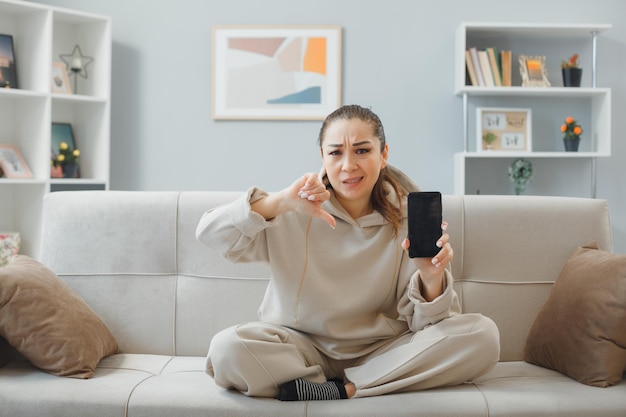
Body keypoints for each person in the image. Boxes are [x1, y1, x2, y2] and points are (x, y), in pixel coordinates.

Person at [196, 104, 500, 401]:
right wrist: (279, 202)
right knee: (227, 348)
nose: (348, 165)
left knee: (483, 336)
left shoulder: (410, 220)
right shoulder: (293, 208)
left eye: (362, 150)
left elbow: (430, 326)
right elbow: (209, 234)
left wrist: (430, 276)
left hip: (384, 352)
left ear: (384, 155)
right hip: (301, 349)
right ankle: (349, 384)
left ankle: (345, 389)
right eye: (336, 152)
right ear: (322, 157)